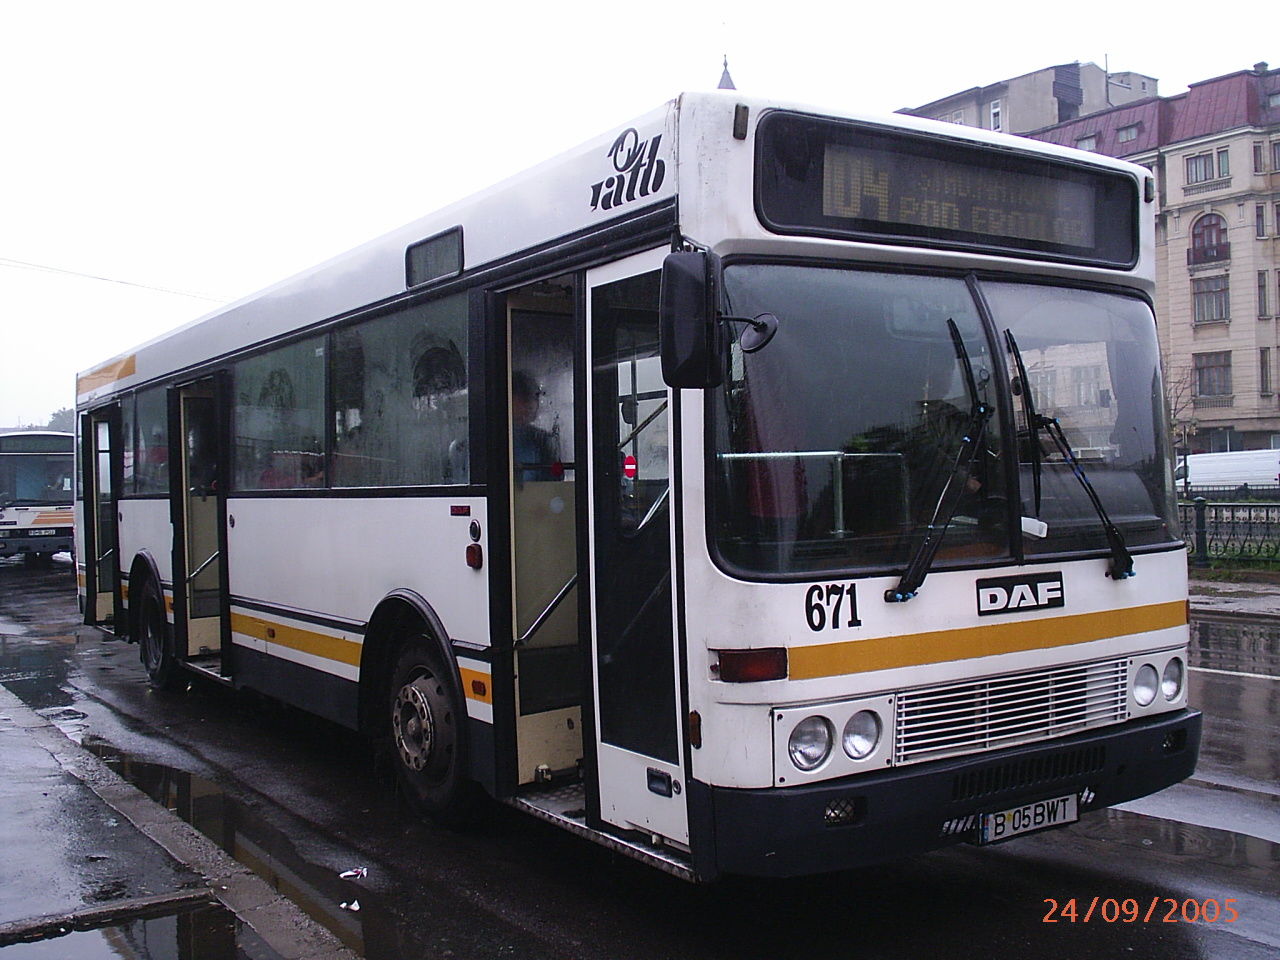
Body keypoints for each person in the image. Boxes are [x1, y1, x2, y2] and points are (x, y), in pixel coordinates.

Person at [511, 371, 559, 482]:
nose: (531, 405)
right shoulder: (486, 439)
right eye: (524, 399)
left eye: (535, 398)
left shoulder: (543, 440)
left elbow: (556, 479)